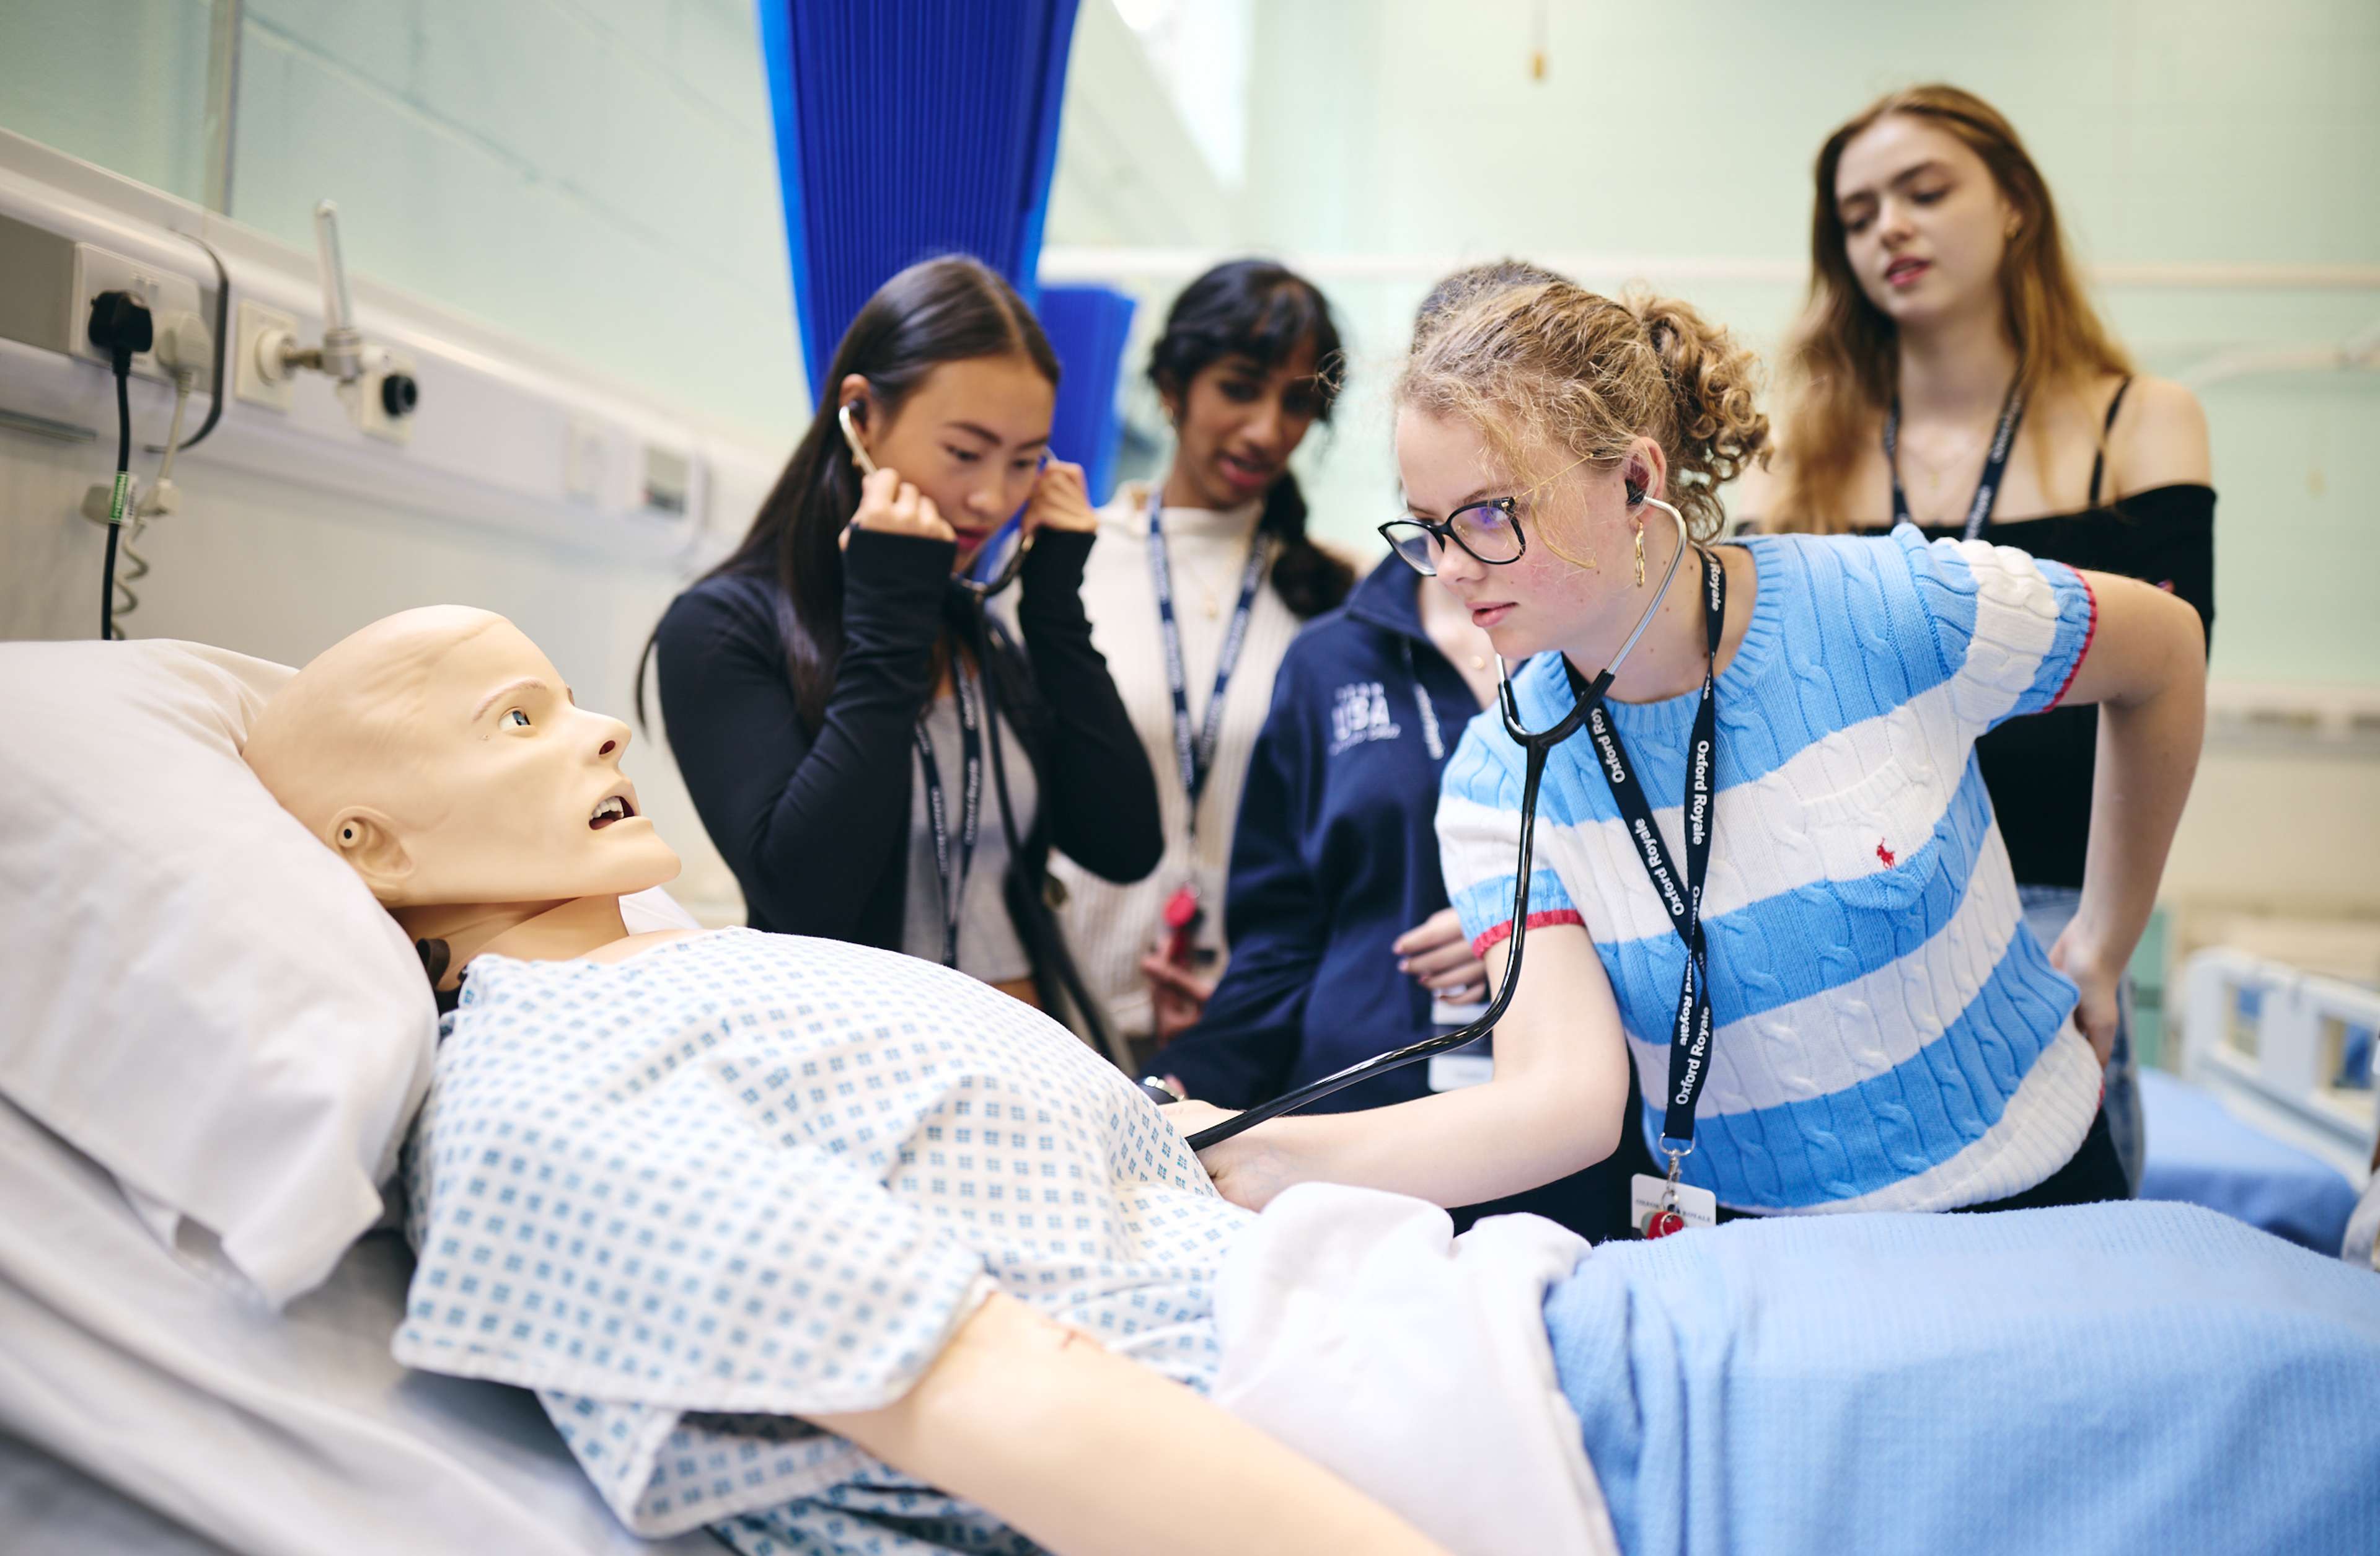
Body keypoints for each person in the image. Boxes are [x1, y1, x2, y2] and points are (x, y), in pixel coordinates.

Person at [240, 605, 2380, 1556]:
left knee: (2238, 1297)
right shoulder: (536, 1103)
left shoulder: (665, 986)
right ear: (370, 855)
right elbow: (990, 1398)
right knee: (2275, 1381)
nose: (597, 736)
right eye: (510, 727)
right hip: (1514, 1446)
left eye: (563, 701)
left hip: (1507, 1332)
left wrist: (1157, 1137)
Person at [1169, 277, 2210, 1228]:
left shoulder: (1892, 611)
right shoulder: (1502, 779)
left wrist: (2104, 944)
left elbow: (2166, 653)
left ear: (1635, 478)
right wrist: (1267, 1153)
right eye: (1428, 528)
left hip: (2028, 1194)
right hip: (1758, 1243)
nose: (1448, 569)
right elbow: (1561, 1103)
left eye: (1490, 515)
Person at [1738, 84, 2219, 1190]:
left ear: (2013, 206)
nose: (1888, 229)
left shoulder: (2138, 424)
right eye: (1857, 215)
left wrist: (2103, 945)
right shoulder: (1799, 455)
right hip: (1849, 932)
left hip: (2052, 929)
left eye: (1923, 191)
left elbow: (2166, 690)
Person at [1150, 261, 1658, 1241]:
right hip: (1354, 1131)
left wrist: (1532, 940)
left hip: (1575, 1141)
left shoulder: (1612, 641)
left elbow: (1689, 883)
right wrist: (1180, 1088)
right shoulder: (1330, 657)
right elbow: (1280, 940)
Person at [648, 257, 1160, 1060]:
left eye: (1024, 460)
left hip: (1048, 1066)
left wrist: (1055, 614)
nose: (992, 499)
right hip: (867, 1080)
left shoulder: (976, 627)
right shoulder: (722, 628)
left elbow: (1124, 845)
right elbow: (806, 899)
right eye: (964, 451)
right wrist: (885, 627)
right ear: (862, 416)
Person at [1049, 260, 1355, 1065]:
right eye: (1240, 387)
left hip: (1257, 1023)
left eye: (1297, 403)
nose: (1266, 430)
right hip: (1063, 1007)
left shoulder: (1335, 595)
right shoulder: (1065, 565)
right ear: (1173, 386)